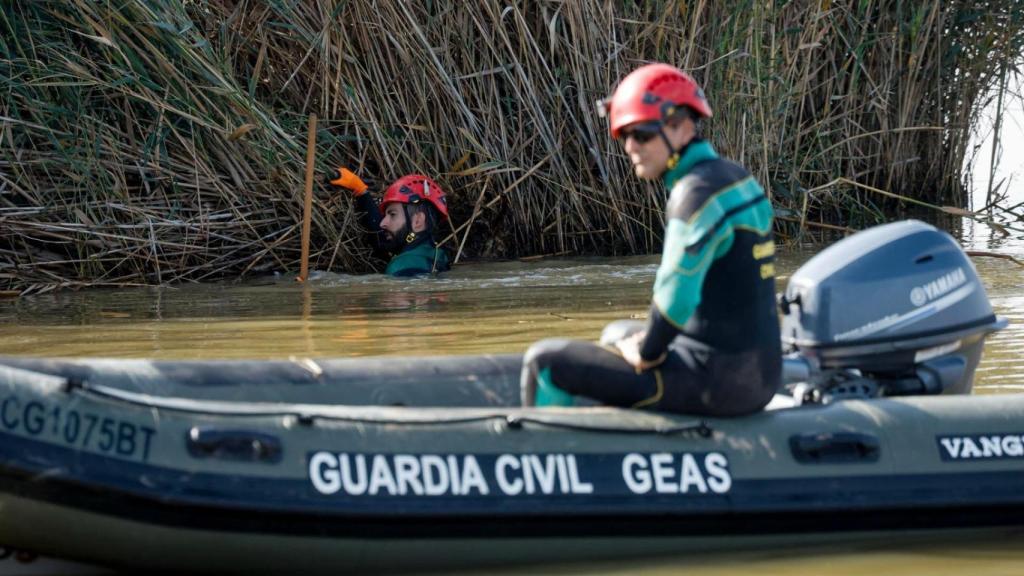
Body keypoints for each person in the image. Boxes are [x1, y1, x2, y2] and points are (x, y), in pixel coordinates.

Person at [520, 63, 781, 416]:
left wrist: (646, 354)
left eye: (642, 133)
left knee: (544, 363)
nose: (630, 146)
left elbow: (676, 299)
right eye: (624, 134)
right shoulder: (737, 178)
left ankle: (556, 463)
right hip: (760, 375)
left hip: (715, 385)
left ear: (681, 126)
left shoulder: (695, 195)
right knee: (617, 332)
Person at [329, 169, 451, 277]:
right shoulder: (438, 255)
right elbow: (381, 239)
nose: (383, 223)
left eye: (392, 215)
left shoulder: (401, 265)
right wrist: (361, 191)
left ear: (418, 220)